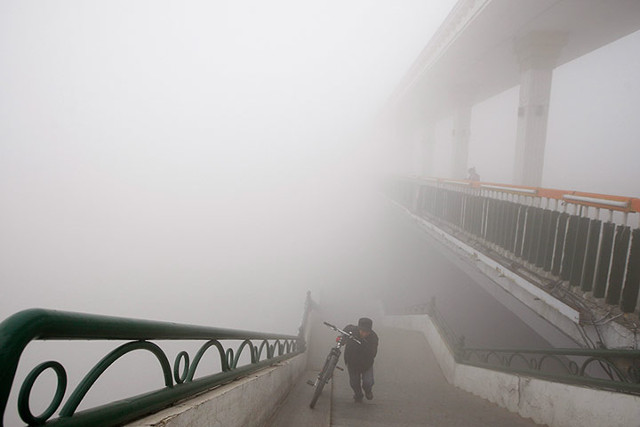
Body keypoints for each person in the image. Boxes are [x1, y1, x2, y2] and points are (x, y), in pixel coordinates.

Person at [343, 317, 379, 403]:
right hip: (352, 362)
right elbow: (345, 331)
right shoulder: (352, 330)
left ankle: (368, 391)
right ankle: (358, 394)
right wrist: (343, 339)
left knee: (368, 382)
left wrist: (363, 345)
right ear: (358, 328)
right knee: (354, 383)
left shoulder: (374, 337)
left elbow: (373, 353)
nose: (364, 333)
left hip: (366, 363)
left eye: (366, 332)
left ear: (370, 331)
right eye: (362, 331)